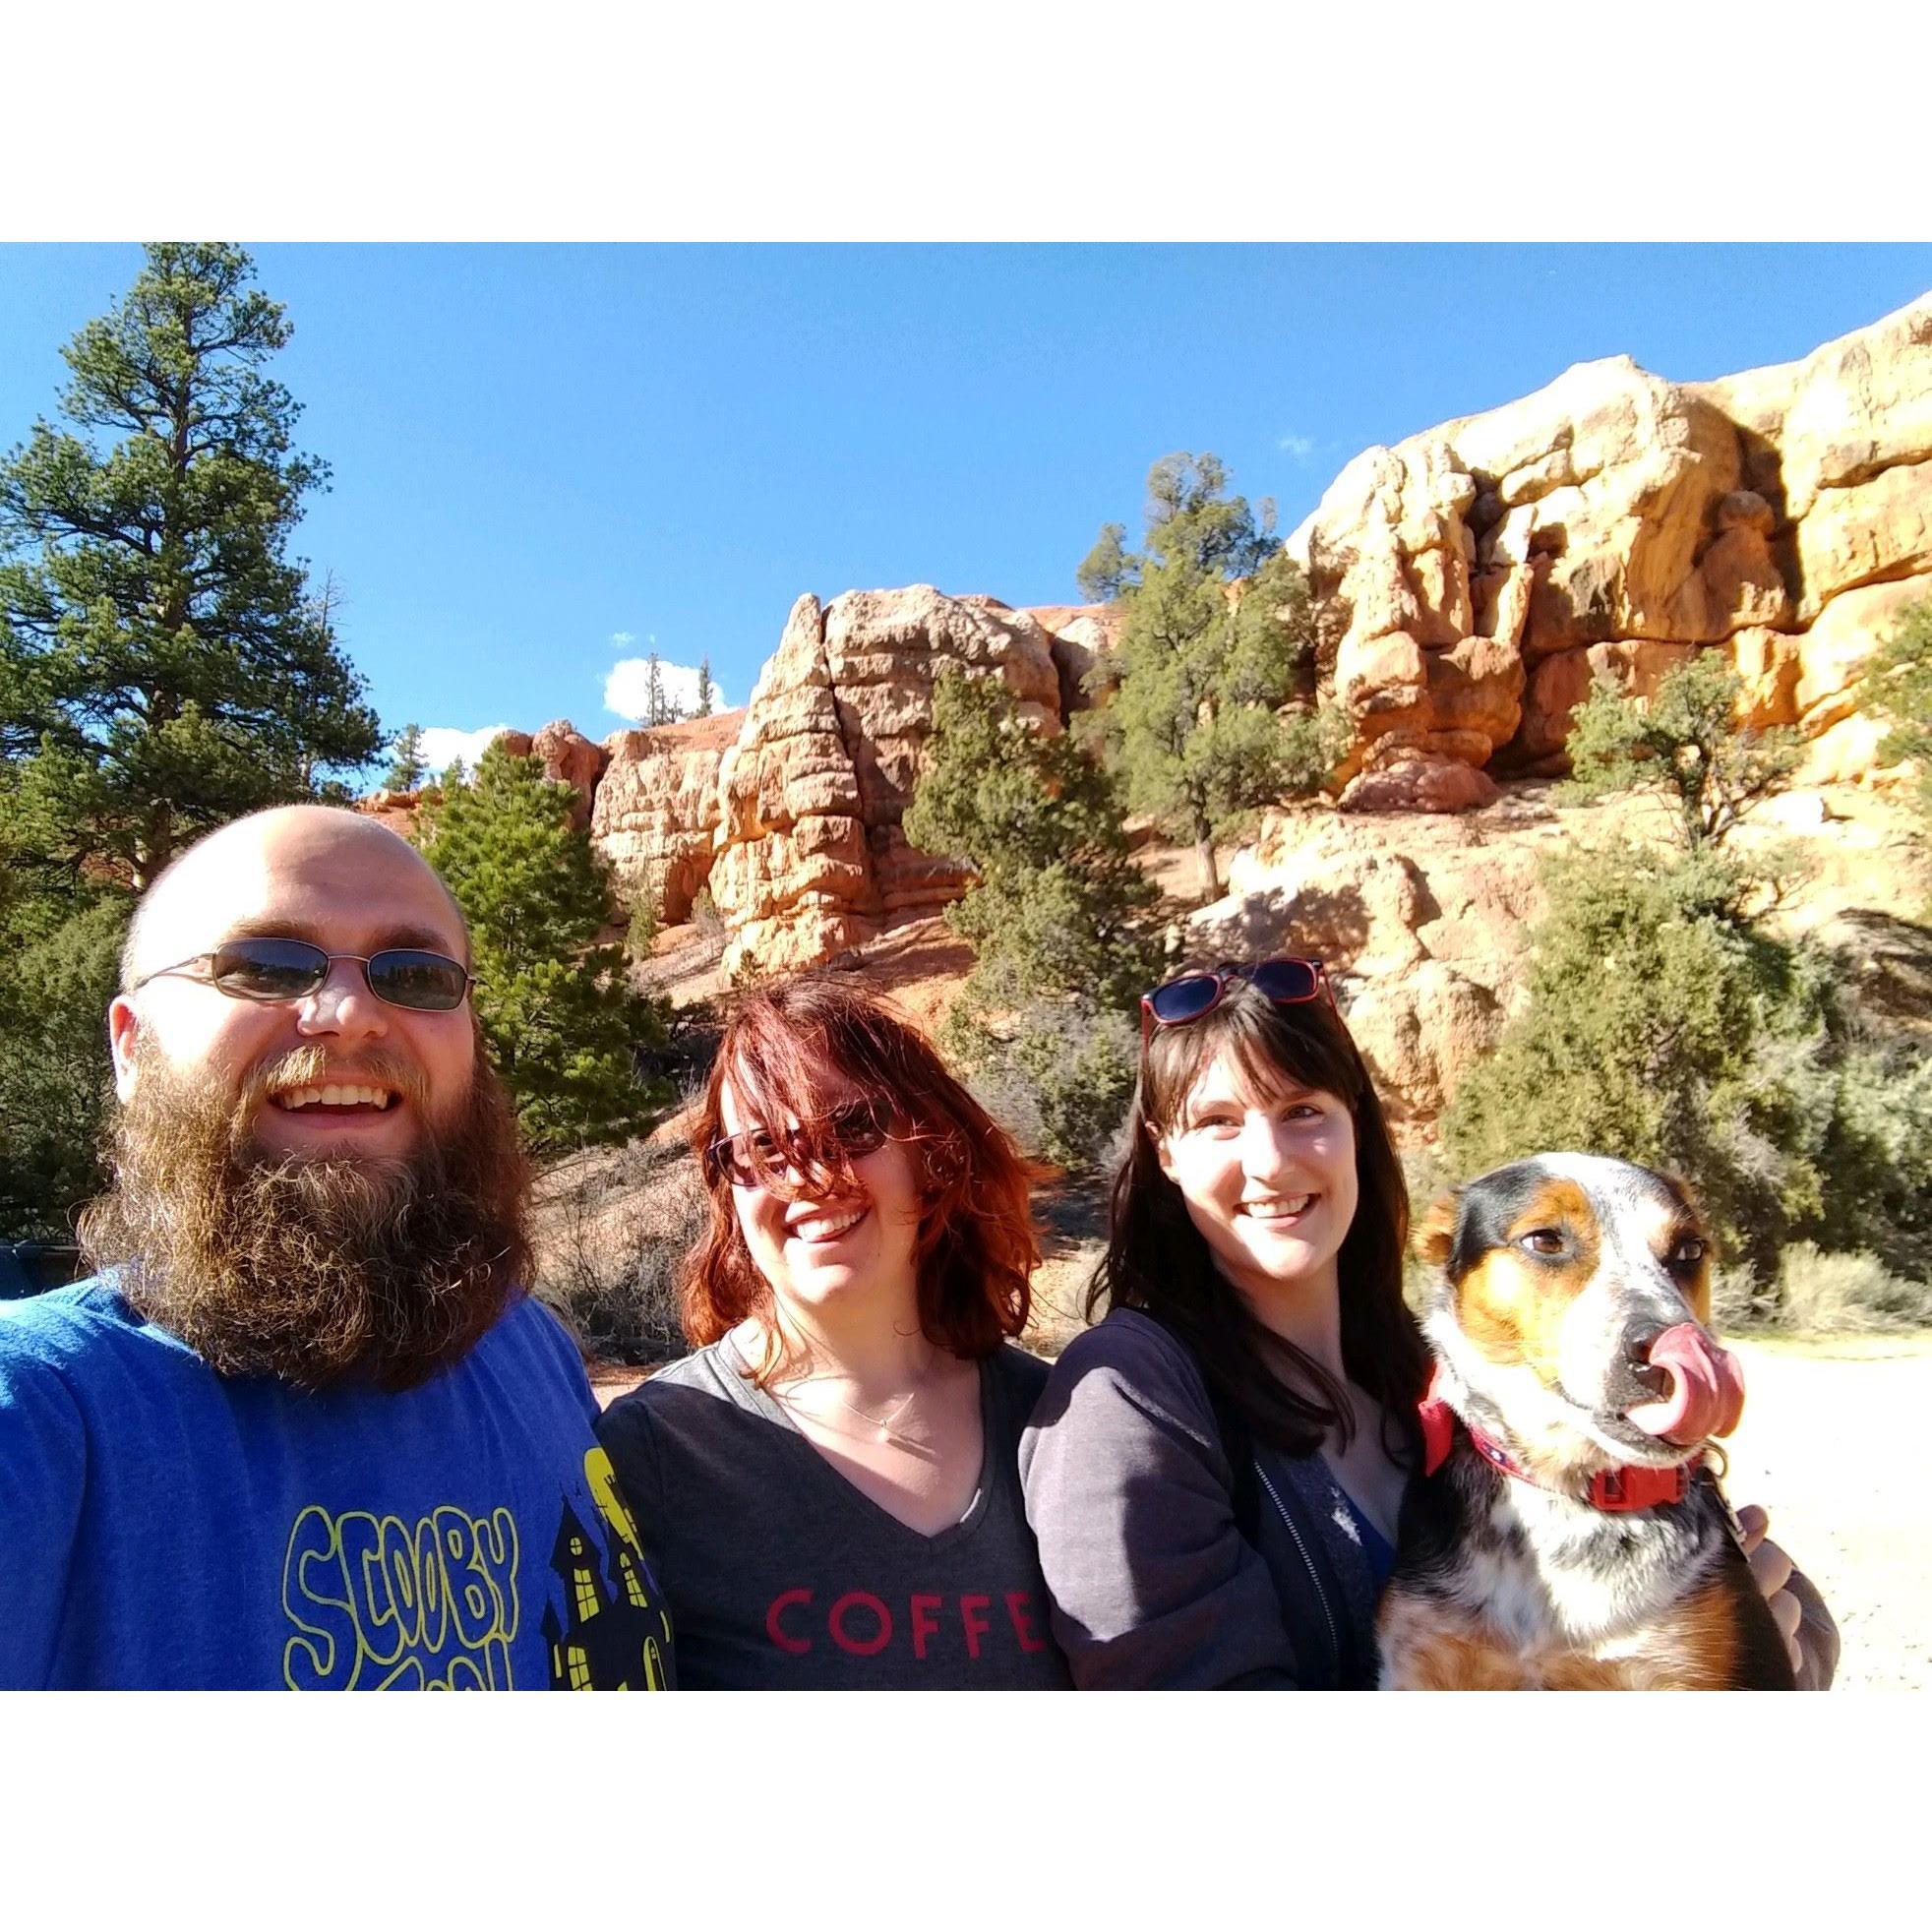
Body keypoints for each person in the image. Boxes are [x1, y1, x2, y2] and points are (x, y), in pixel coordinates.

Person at [1019, 957, 1838, 1689]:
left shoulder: (1445, 1376)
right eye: (1218, 1122)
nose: (1270, 1160)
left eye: (1303, 1110)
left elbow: (1785, 1642)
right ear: (1165, 1153)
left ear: (1354, 1130)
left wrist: (1771, 1629)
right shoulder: (1127, 1395)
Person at [0, 806, 673, 1691]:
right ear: (131, 1047)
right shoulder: (44, 1416)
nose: (350, 1014)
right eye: (268, 965)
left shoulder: (530, 1348)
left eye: (416, 974)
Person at [597, 978, 1071, 1688]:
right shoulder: (659, 1451)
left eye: (853, 1129)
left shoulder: (1056, 1424)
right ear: (728, 1191)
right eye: (761, 1149)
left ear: (931, 1152)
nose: (811, 1177)